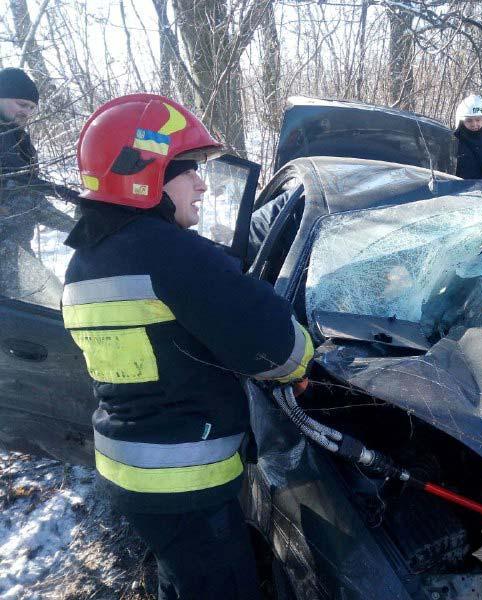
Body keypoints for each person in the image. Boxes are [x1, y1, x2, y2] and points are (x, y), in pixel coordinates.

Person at [62, 94, 313, 599]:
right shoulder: (170, 254)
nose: (201, 184)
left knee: (183, 577)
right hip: (182, 484)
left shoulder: (83, 261)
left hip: (129, 471)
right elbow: (277, 346)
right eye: (187, 171)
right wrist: (305, 361)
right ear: (145, 175)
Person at [0, 67, 75, 305]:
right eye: (21, 104)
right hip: (7, 253)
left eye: (31, 108)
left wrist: (77, 226)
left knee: (53, 309)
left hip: (16, 251)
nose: (26, 112)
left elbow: (30, 196)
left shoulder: (18, 138)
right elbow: (23, 188)